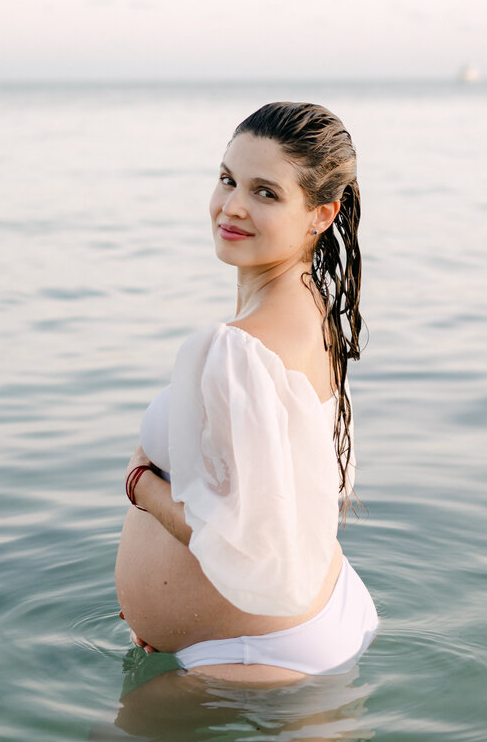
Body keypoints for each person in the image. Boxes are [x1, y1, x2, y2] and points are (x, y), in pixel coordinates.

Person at [115, 101, 379, 683]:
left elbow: (249, 547)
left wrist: (141, 486)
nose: (231, 206)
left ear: (321, 214)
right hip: (294, 623)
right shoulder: (312, 313)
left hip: (259, 652)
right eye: (228, 179)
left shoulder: (241, 347)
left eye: (265, 192)